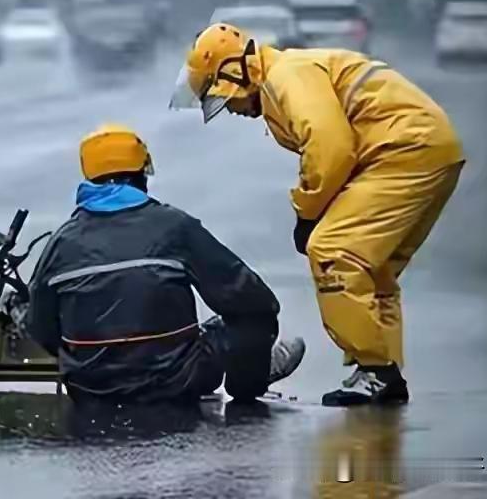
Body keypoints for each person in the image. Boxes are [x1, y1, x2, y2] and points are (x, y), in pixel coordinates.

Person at [170, 23, 465, 406]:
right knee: (371, 269)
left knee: (332, 250)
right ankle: (379, 371)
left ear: (235, 73)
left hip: (404, 148)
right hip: (428, 148)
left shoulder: (285, 77)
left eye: (227, 100)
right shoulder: (286, 75)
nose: (233, 110)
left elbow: (331, 147)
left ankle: (377, 371)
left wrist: (308, 211)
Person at [26, 124, 305, 405]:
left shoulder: (59, 243)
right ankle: (249, 383)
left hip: (90, 389)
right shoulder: (175, 227)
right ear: (142, 173)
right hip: (176, 382)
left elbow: (40, 328)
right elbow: (251, 297)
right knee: (256, 315)